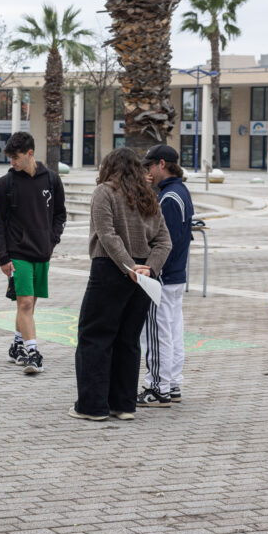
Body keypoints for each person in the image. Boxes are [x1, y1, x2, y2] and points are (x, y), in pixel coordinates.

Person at [70, 148, 171, 422]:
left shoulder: (104, 191)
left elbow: (107, 234)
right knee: (128, 339)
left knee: (94, 336)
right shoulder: (148, 196)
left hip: (110, 268)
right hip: (144, 276)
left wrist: (129, 266)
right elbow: (164, 241)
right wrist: (149, 268)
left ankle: (92, 406)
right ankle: (123, 405)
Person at [0, 131, 66, 375]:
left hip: (42, 252)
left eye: (16, 157)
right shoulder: (6, 184)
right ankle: (33, 352)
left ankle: (17, 345)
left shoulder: (52, 180)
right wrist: (3, 257)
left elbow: (60, 214)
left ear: (30, 153)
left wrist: (52, 240)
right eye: (10, 157)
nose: (12, 162)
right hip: (17, 253)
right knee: (24, 302)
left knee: (30, 303)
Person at [138, 145, 194, 409]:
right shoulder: (178, 191)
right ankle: (171, 383)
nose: (148, 171)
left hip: (164, 275)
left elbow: (164, 241)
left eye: (150, 166)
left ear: (161, 164)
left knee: (157, 333)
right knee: (172, 330)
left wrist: (152, 270)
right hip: (175, 274)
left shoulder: (169, 197)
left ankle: (157, 387)